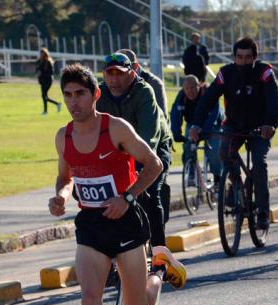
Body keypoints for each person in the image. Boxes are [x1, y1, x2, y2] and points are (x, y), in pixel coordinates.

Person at [47, 63, 187, 305]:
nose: (74, 101)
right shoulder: (63, 136)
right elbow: (66, 177)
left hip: (125, 223)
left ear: (95, 95)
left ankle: (159, 269)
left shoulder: (116, 129)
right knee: (89, 299)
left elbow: (154, 164)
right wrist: (62, 197)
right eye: (67, 95)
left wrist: (127, 198)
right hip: (91, 226)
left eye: (80, 94)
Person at [190, 37, 278, 230]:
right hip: (233, 125)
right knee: (224, 153)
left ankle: (263, 211)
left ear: (255, 57)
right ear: (234, 57)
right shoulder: (225, 73)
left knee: (259, 163)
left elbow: (273, 100)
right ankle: (235, 186)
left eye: (248, 57)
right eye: (239, 57)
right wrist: (196, 124)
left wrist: (270, 124)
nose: (243, 61)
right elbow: (207, 100)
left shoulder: (264, 72)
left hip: (260, 127)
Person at [96, 53, 173, 247]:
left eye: (120, 74)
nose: (114, 80)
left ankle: (159, 254)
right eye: (109, 74)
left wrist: (139, 170)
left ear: (131, 74)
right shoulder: (100, 94)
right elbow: (94, 131)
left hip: (154, 145)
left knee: (150, 191)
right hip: (121, 149)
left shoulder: (144, 92)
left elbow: (149, 138)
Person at [170, 75, 224, 186]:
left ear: (198, 86)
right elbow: (175, 114)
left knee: (213, 151)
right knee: (188, 146)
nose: (190, 91)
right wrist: (176, 132)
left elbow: (214, 113)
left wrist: (206, 130)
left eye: (193, 88)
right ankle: (190, 170)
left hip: (213, 124)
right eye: (187, 89)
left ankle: (217, 177)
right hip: (192, 124)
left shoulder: (207, 92)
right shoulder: (181, 97)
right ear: (183, 89)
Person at [116, 49, 168, 115]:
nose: (115, 76)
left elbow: (162, 119)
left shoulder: (154, 84)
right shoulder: (111, 83)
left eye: (121, 70)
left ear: (135, 67)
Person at [35, 48, 61, 115]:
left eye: (42, 53)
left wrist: (42, 73)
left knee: (44, 95)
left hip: (48, 80)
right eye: (40, 53)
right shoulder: (39, 61)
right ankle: (52, 107)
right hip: (42, 81)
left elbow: (51, 72)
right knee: (44, 96)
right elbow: (37, 70)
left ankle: (47, 110)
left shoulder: (48, 62)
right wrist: (37, 73)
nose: (41, 55)